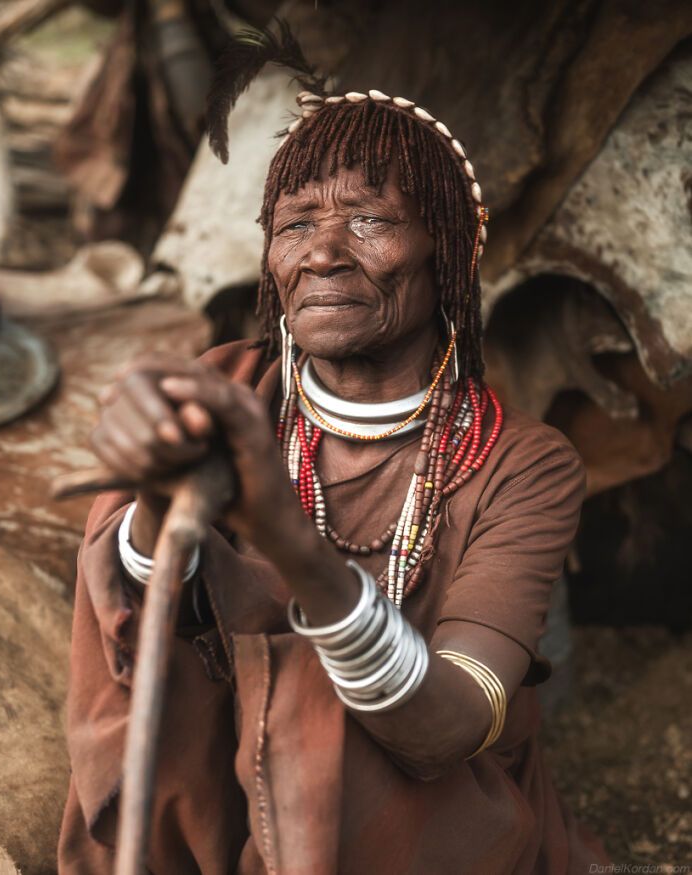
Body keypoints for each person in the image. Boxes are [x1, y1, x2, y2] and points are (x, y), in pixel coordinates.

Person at [58, 32, 609, 874]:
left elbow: (453, 724)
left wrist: (288, 542)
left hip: (418, 821)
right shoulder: (226, 386)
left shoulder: (521, 462)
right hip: (219, 796)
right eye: (295, 224)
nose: (322, 251)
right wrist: (152, 501)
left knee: (314, 685)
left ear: (449, 254)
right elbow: (129, 629)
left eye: (369, 219)